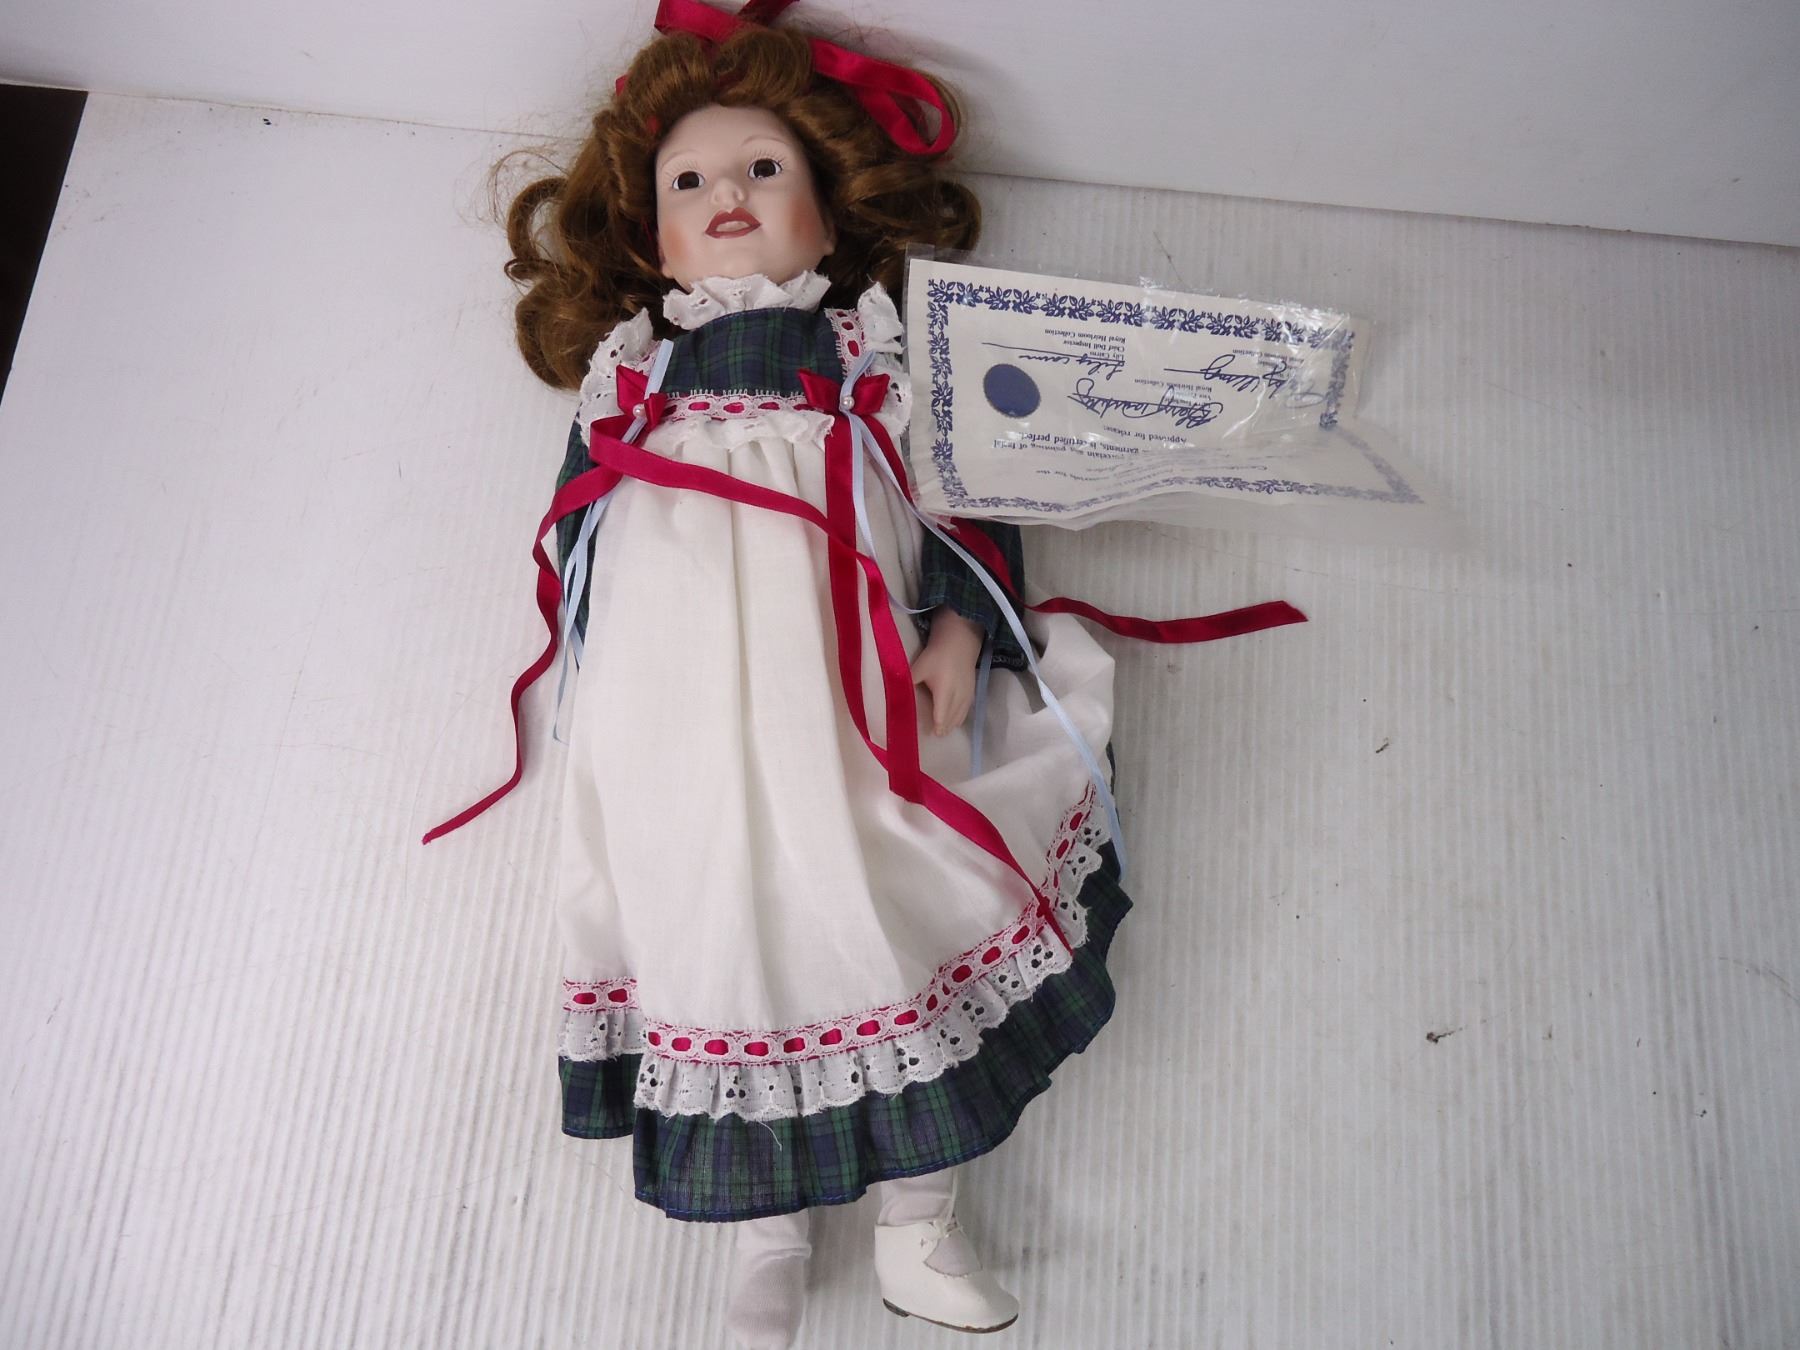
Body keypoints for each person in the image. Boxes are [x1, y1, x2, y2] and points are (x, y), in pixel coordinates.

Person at [491, 7, 1131, 1345]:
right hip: (677, 715)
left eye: (763, 168)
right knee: (714, 928)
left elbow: (963, 496)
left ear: (829, 217)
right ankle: (766, 1237)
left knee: (888, 895)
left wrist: (961, 627)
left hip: (848, 699)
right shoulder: (634, 377)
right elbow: (578, 533)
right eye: (688, 180)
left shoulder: (869, 357)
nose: (725, 192)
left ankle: (921, 1222)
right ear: (650, 239)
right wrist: (604, 683)